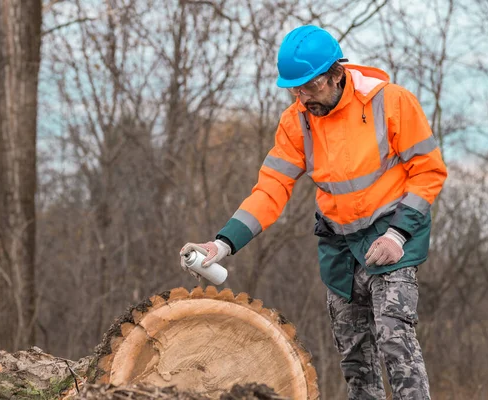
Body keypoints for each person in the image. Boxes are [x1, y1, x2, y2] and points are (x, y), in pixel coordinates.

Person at [180, 25, 447, 399]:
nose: (303, 97)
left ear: (336, 74)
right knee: (355, 359)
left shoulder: (392, 103)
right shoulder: (296, 122)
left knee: (394, 340)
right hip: (340, 247)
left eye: (310, 86)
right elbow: (271, 188)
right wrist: (223, 244)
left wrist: (397, 235)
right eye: (295, 88)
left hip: (394, 237)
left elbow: (429, 171)